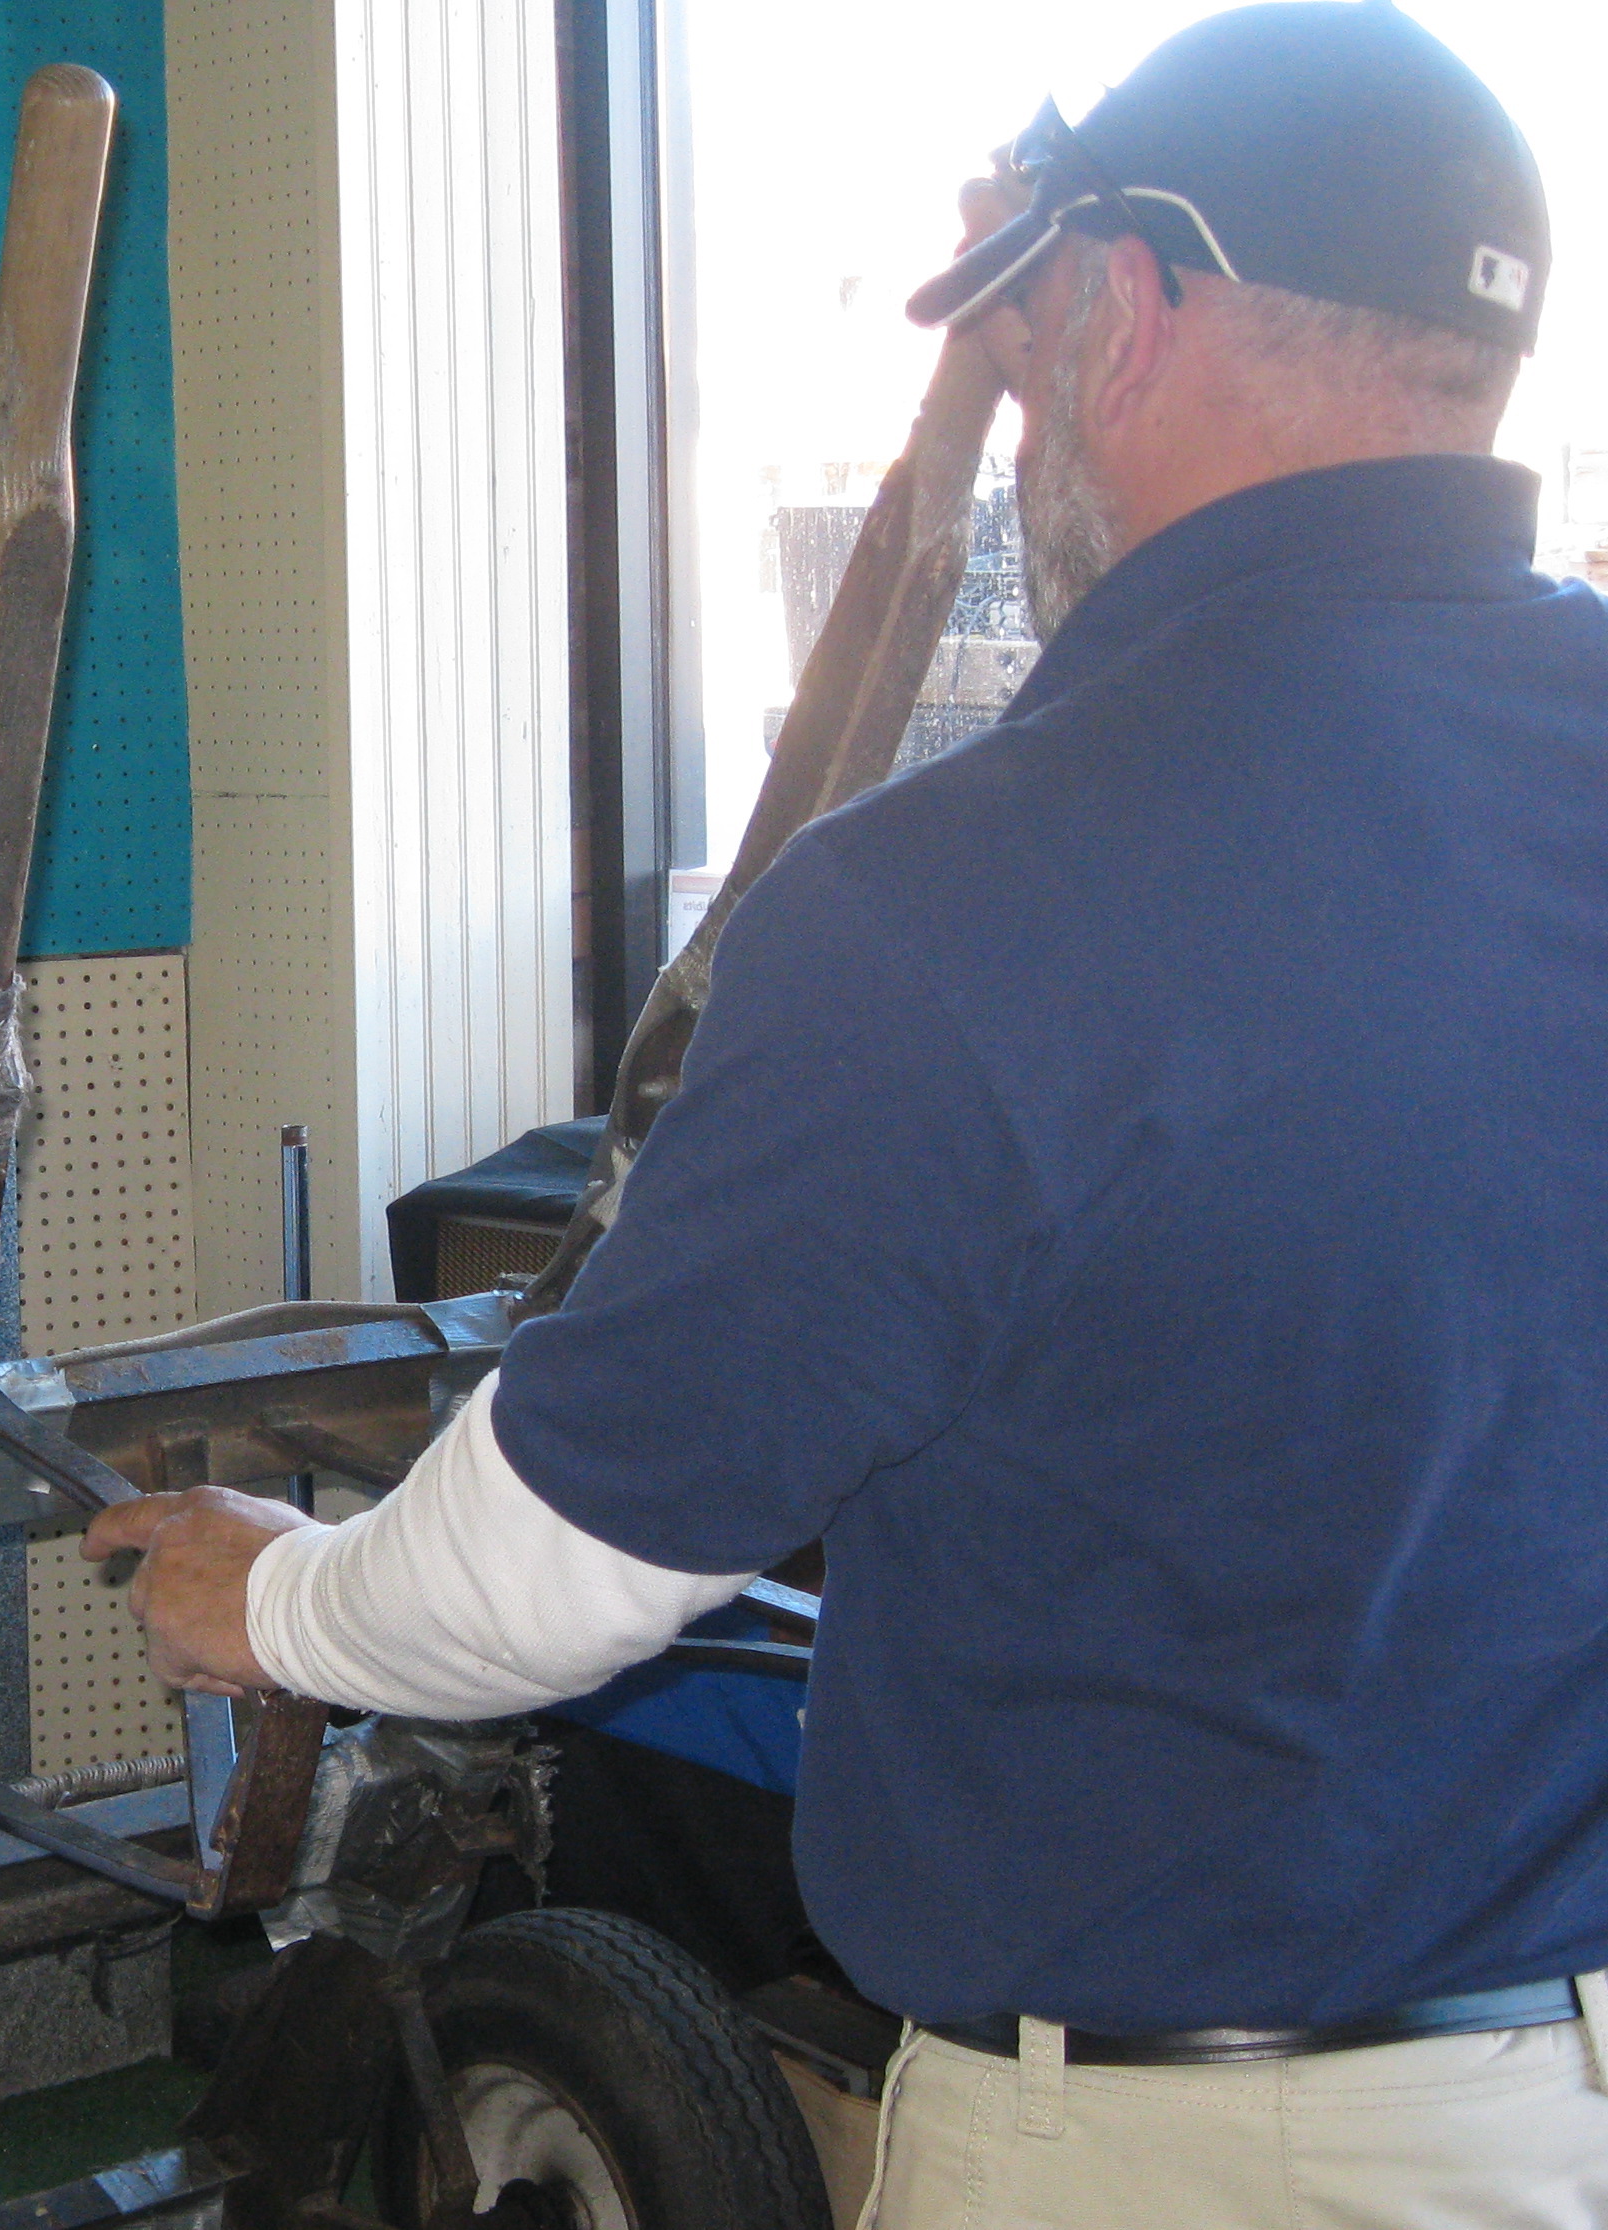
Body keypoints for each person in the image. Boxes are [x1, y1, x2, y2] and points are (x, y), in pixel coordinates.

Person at [97, 7, 1608, 2218]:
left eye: (1030, 337)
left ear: (1121, 308)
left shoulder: (969, 895)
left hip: (1188, 2146)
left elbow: (558, 1564)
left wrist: (283, 1598)